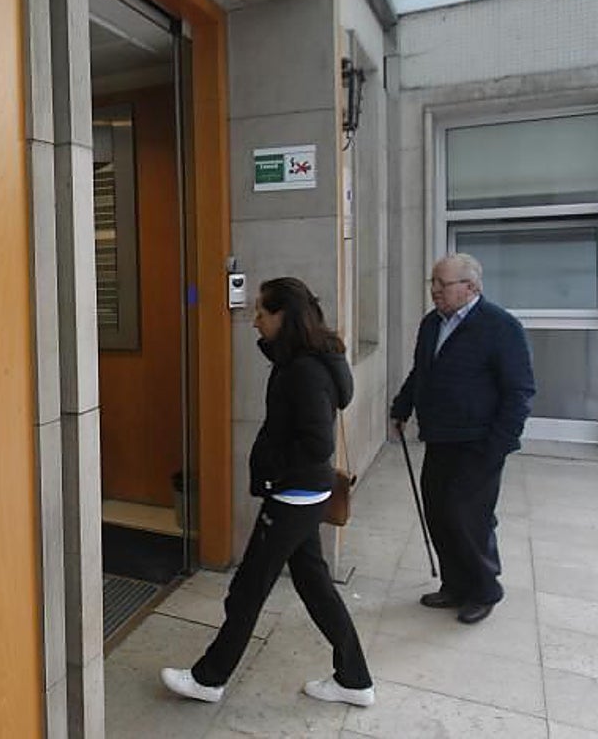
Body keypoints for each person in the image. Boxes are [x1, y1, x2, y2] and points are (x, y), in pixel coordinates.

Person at [161, 277, 374, 708]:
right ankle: (354, 679)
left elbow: (317, 443)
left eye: (262, 312)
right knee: (314, 584)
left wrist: (274, 474)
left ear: (284, 316)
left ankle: (209, 677)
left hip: (293, 496)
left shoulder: (304, 371)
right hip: (303, 494)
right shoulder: (304, 359)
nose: (254, 320)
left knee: (247, 588)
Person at [391, 253, 534, 624]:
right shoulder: (431, 324)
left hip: (480, 442)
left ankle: (485, 590)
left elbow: (519, 391)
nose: (435, 290)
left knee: (470, 517)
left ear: (470, 287)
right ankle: (454, 585)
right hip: (439, 437)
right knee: (438, 513)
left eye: (443, 283)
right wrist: (402, 406)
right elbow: (421, 371)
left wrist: (499, 444)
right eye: (433, 283)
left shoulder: (500, 326)